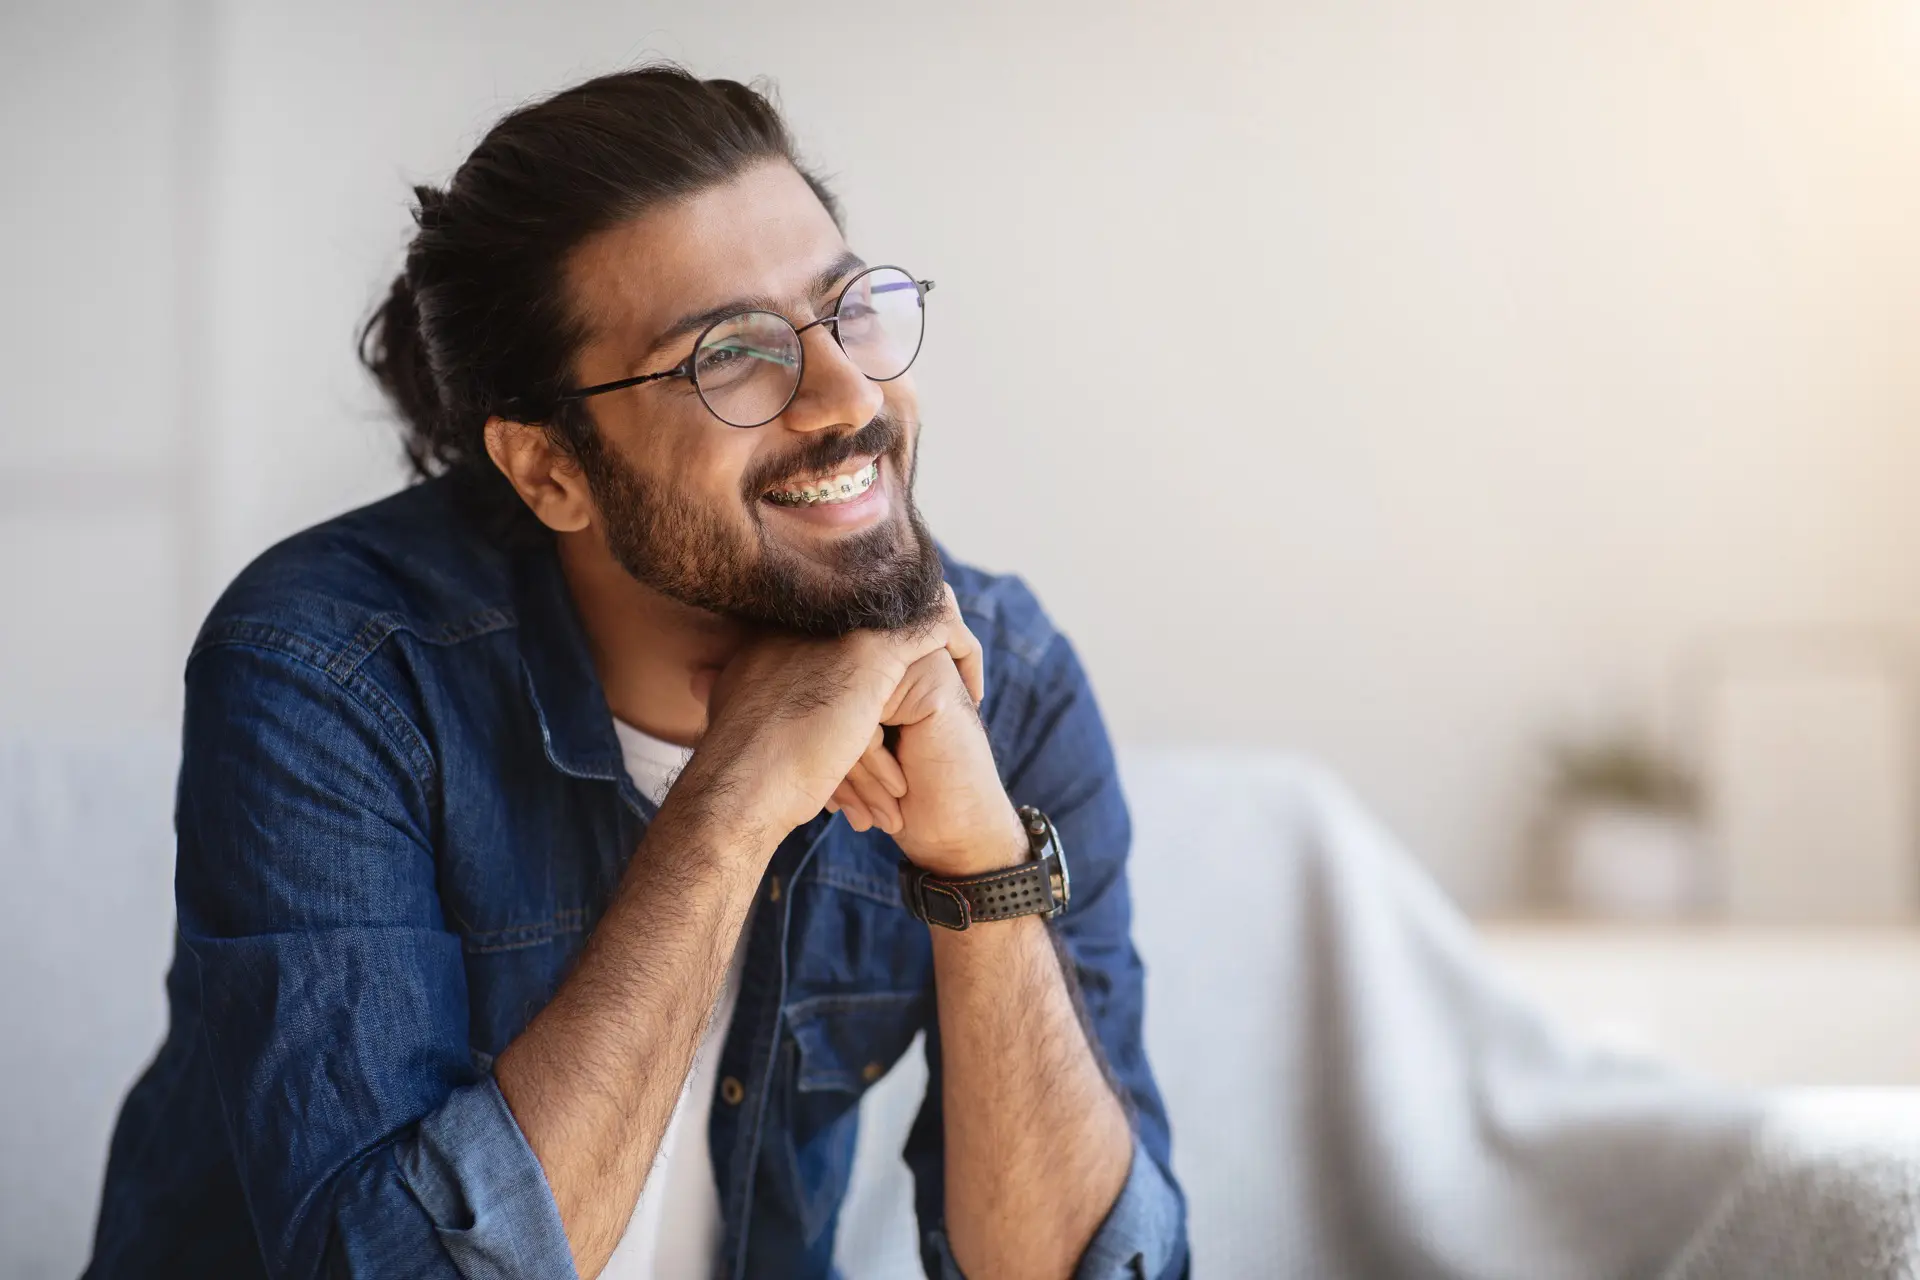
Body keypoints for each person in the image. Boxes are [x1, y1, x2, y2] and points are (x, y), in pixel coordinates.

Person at [86, 64, 1184, 1280]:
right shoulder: (333, 675)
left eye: (847, 312)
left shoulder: (996, 683)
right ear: (550, 469)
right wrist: (729, 807)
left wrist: (981, 874)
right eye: (731, 357)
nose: (847, 396)